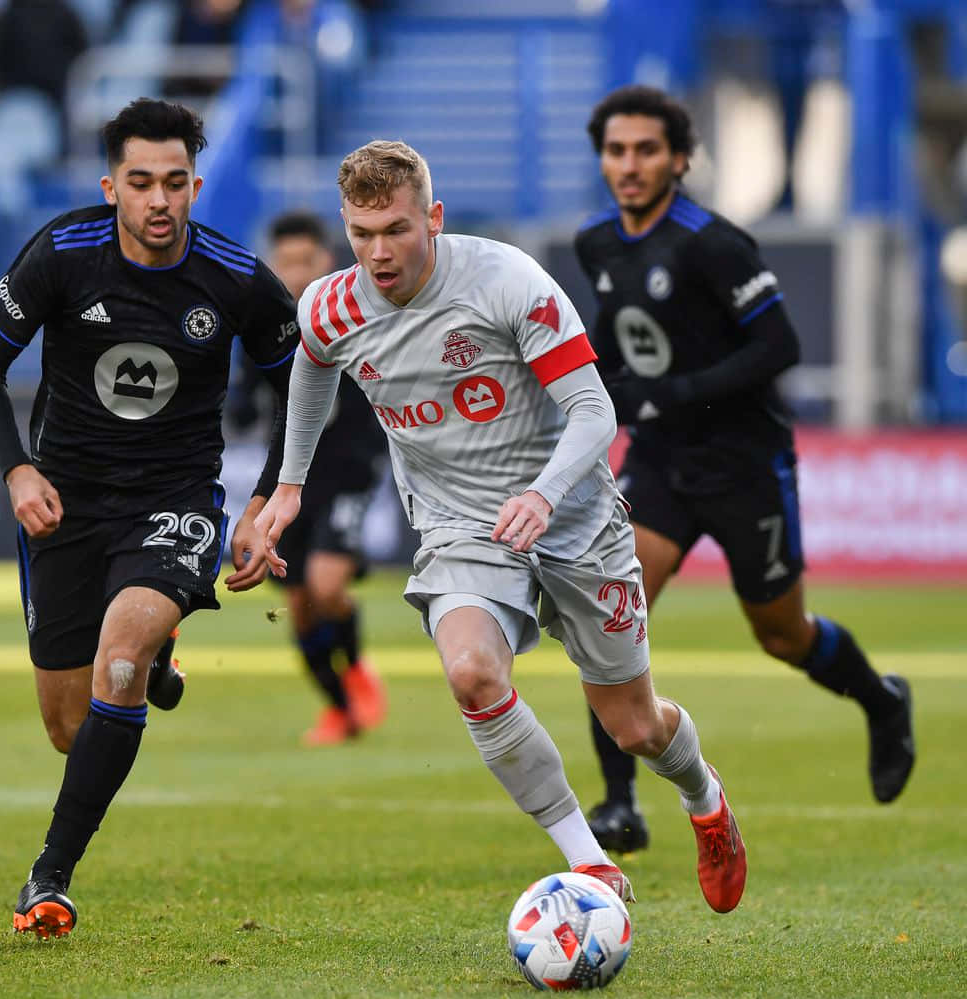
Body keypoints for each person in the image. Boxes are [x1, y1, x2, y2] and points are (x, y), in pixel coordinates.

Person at [255, 139, 748, 915]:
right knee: (472, 676)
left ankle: (705, 800)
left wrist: (546, 496)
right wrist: (288, 485)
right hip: (458, 524)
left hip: (573, 515)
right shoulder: (330, 303)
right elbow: (312, 364)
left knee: (634, 727)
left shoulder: (505, 280)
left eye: (396, 229)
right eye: (361, 233)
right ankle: (590, 867)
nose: (378, 253)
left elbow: (594, 411)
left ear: (435, 218)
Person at [0, 97, 298, 938]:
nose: (159, 201)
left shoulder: (235, 277)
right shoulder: (62, 253)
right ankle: (154, 658)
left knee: (118, 655)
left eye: (176, 183)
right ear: (111, 185)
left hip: (173, 503)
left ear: (194, 184)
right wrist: (19, 472)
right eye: (141, 182)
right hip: (64, 506)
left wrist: (262, 503)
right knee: (68, 726)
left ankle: (50, 875)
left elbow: (303, 383)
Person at [573, 85, 915, 853]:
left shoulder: (713, 243)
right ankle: (619, 802)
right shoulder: (598, 245)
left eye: (646, 150)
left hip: (743, 464)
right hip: (659, 466)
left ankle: (882, 698)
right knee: (609, 619)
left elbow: (778, 348)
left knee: (783, 635)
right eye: (617, 151)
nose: (629, 166)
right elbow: (610, 346)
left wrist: (671, 395)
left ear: (680, 159)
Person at [260, 210, 389, 746]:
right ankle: (340, 709)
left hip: (348, 473)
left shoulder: (355, 313)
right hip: (291, 480)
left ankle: (357, 669)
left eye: (304, 261)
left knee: (326, 584)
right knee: (297, 605)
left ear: (326, 261)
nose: (294, 272)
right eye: (285, 262)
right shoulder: (264, 324)